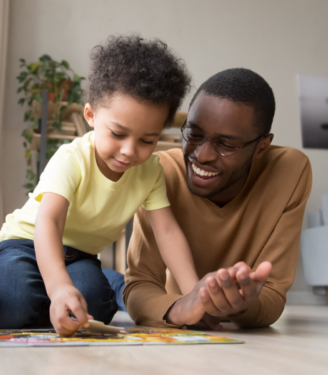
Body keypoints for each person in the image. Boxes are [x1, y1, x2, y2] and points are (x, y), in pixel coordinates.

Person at [0, 35, 198, 336]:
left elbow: (168, 233)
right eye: (118, 134)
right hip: (27, 243)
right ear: (91, 115)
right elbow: (50, 221)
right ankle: (48, 285)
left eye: (148, 140)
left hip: (80, 255)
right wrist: (58, 290)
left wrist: (195, 295)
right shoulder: (72, 158)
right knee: (10, 307)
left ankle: (71, 285)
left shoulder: (151, 171)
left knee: (95, 304)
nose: (129, 151)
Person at [122, 68, 312, 329]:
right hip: (174, 300)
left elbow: (273, 297)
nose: (202, 155)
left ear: (261, 147)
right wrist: (181, 308)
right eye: (194, 134)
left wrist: (244, 304)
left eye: (226, 144)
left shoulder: (290, 171)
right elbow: (138, 287)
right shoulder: (160, 172)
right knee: (101, 287)